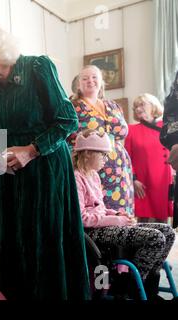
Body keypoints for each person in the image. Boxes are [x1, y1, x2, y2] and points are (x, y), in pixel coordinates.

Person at [0, 18, 90, 300]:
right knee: (11, 244)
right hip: (11, 176)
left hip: (47, 170)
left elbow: (67, 121)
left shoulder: (37, 67)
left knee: (43, 243)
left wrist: (31, 150)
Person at [72, 129, 175, 299]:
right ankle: (132, 287)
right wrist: (115, 220)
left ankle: (148, 286)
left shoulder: (94, 176)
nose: (106, 159)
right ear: (88, 153)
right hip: (91, 232)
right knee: (155, 238)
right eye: (103, 155)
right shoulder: (76, 178)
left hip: (103, 225)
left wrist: (117, 213)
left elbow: (99, 208)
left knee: (168, 232)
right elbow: (82, 218)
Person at [69, 65, 134, 215]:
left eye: (94, 77)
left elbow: (122, 133)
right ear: (78, 85)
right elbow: (66, 137)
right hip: (91, 166)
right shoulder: (72, 106)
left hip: (119, 168)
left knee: (122, 212)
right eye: (85, 78)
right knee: (98, 210)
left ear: (101, 82)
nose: (90, 81)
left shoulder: (113, 105)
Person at [125, 94, 173, 223]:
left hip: (164, 178)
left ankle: (164, 242)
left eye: (142, 104)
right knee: (143, 219)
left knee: (162, 218)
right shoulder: (131, 130)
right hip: (143, 182)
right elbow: (127, 158)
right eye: (135, 107)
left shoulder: (167, 125)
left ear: (153, 106)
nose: (138, 109)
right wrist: (133, 180)